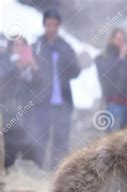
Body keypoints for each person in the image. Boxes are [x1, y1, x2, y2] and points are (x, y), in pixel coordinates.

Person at [32, 8, 81, 169]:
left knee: (61, 143)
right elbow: (28, 76)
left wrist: (64, 55)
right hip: (42, 104)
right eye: (48, 24)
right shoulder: (37, 45)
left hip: (63, 104)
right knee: (39, 141)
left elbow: (76, 72)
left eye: (54, 24)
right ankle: (36, 173)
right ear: (44, 25)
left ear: (59, 26)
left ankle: (56, 176)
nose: (51, 28)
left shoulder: (65, 46)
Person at [0, 36, 40, 168]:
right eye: (16, 45)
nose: (19, 49)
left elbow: (41, 86)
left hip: (28, 117)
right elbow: (4, 84)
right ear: (11, 48)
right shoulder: (5, 62)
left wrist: (34, 68)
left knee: (31, 154)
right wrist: (16, 68)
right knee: (9, 155)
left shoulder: (32, 64)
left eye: (22, 46)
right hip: (9, 117)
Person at [95, 28, 127, 131]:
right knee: (113, 140)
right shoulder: (104, 56)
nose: (121, 42)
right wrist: (120, 58)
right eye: (118, 39)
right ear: (112, 39)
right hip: (114, 103)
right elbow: (108, 75)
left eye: (123, 39)